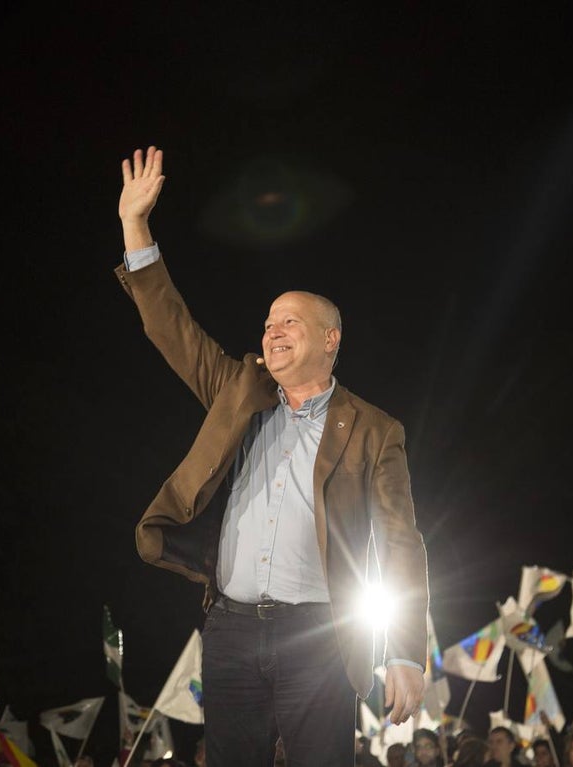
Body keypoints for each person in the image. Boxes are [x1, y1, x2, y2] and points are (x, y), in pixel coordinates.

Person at [114, 145, 429, 767]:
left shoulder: (374, 430)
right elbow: (170, 327)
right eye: (267, 322)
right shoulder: (239, 392)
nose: (271, 330)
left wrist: (405, 653)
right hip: (230, 629)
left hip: (317, 637)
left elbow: (401, 542)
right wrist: (135, 227)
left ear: (330, 340)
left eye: (289, 321)